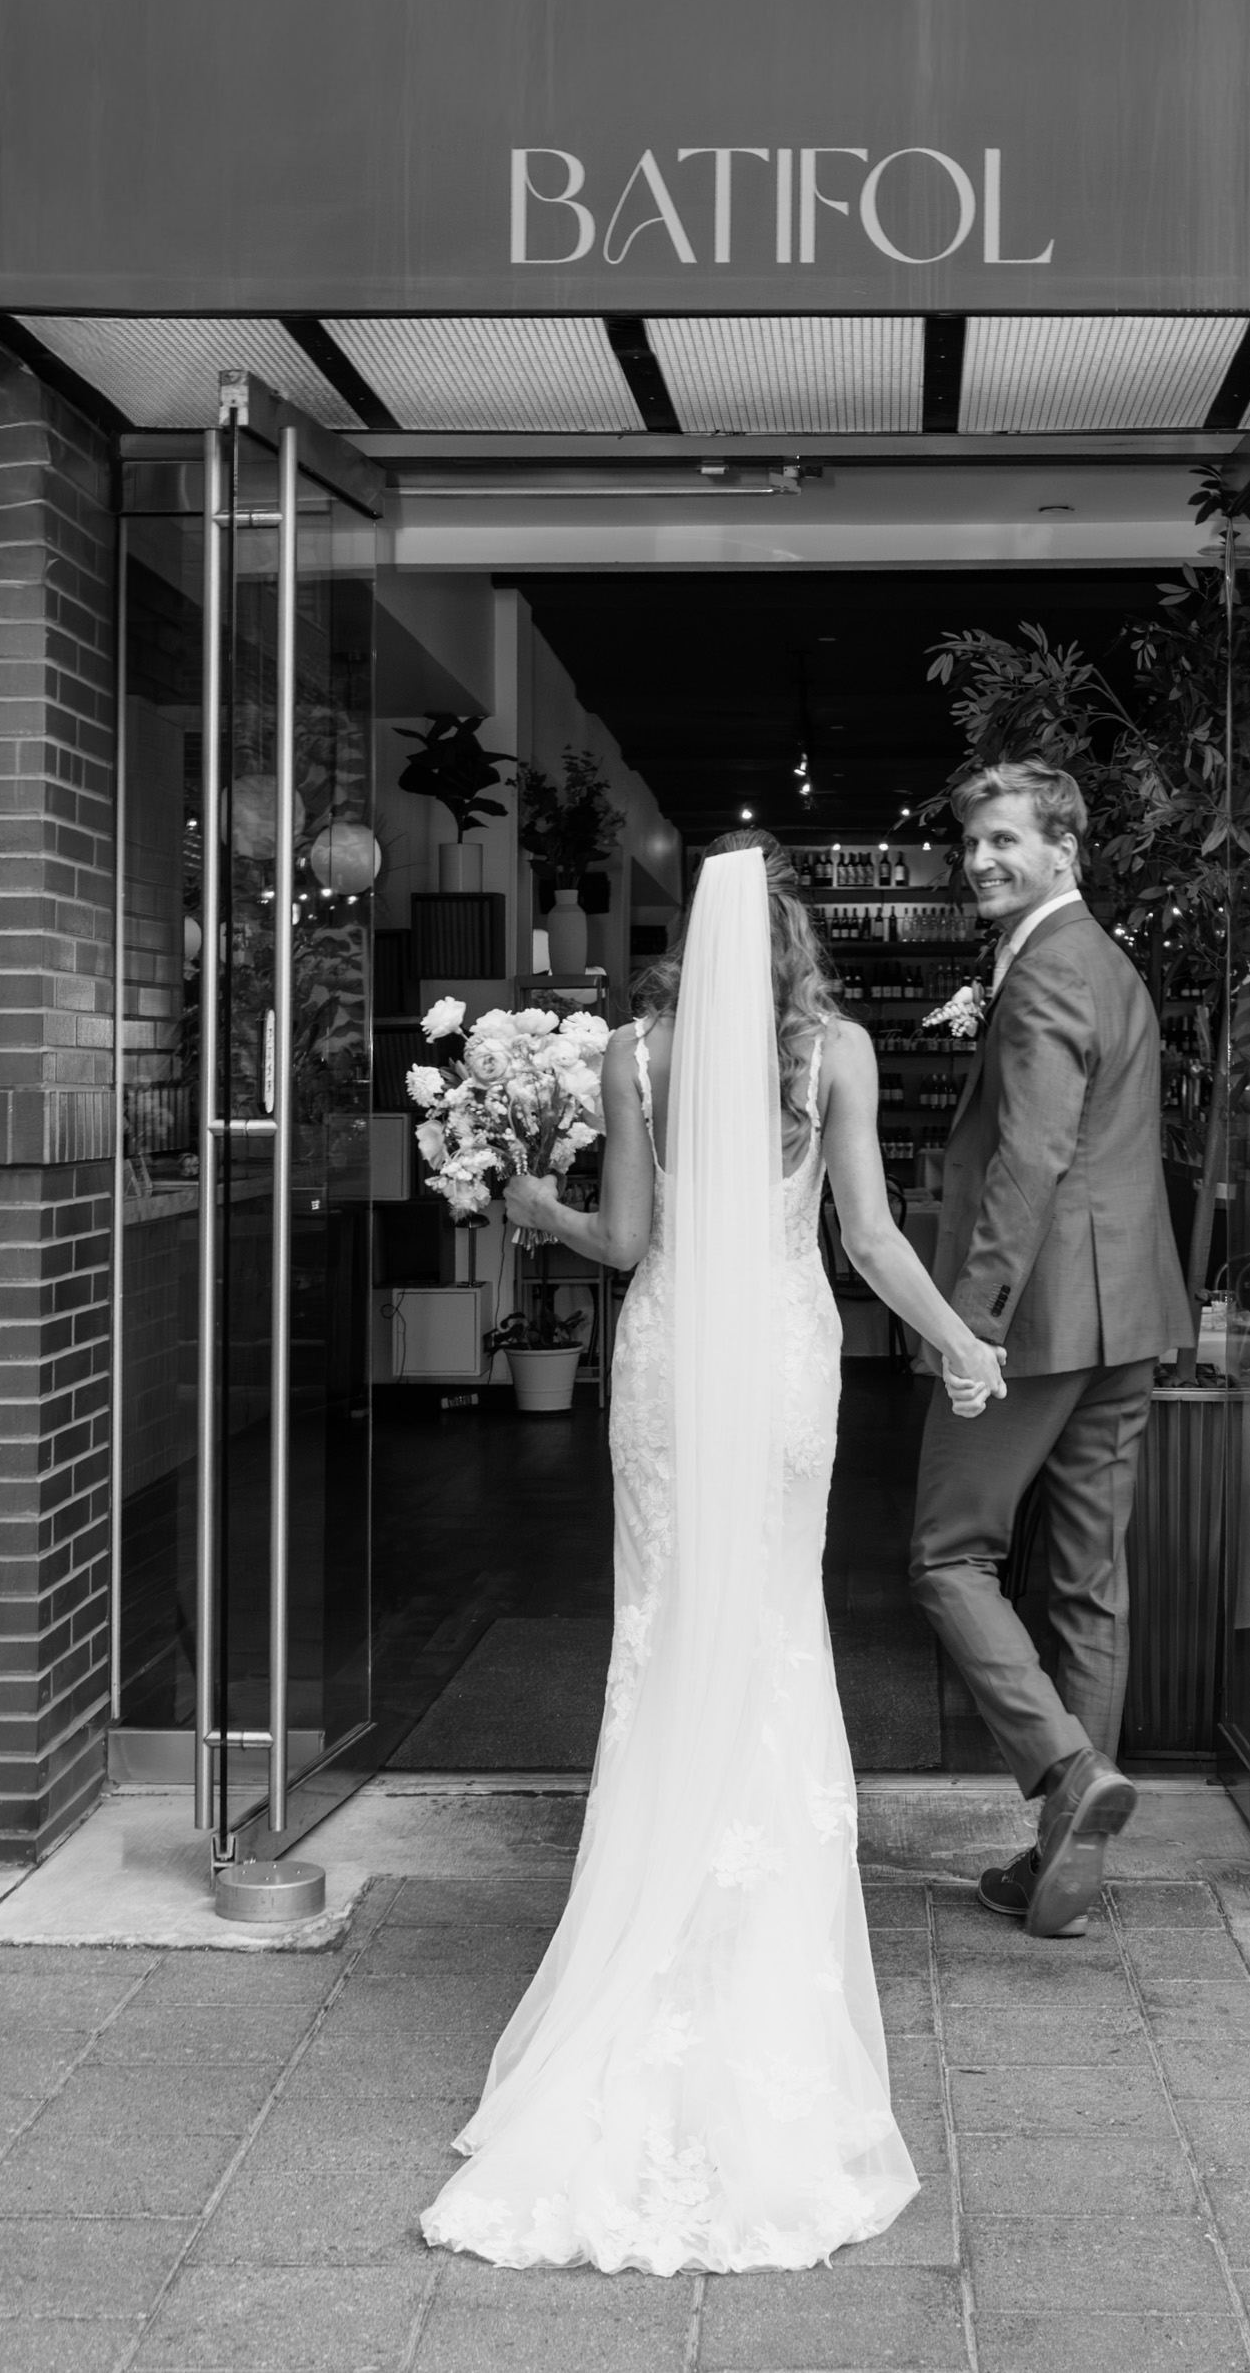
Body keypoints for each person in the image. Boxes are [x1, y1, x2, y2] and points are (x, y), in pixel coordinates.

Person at [421, 832, 1006, 2276]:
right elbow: (864, 1236)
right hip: (786, 1366)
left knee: (660, 1631)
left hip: (674, 1364)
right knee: (774, 1630)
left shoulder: (633, 1051)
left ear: (692, 939)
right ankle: (758, 1952)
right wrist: (955, 1341)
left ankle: (648, 1927)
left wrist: (529, 1208)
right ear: (797, 948)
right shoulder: (838, 1057)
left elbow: (623, 1242)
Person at [909, 761, 1193, 1939]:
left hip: (1037, 1321)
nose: (979, 858)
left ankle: (1066, 1774)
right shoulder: (1105, 961)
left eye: (1004, 840)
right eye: (971, 840)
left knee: (945, 1556)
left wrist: (967, 1322)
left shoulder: (1043, 973)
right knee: (1085, 1582)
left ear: (1063, 847)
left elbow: (1027, 1160)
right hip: (1128, 1310)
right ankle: (1063, 1867)